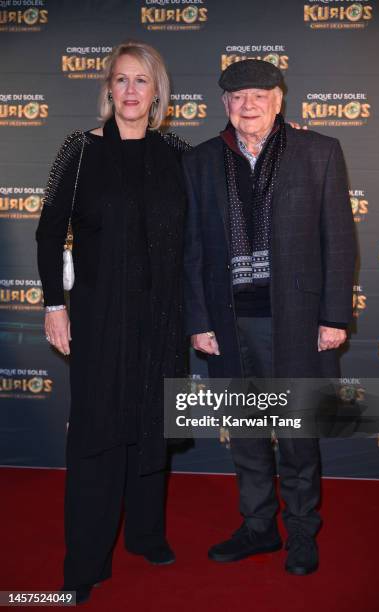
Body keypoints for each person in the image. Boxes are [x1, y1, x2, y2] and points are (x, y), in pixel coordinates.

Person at [183, 59, 356, 575]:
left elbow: (340, 240)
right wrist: (198, 318)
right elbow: (191, 249)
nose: (249, 104)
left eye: (260, 93)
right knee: (248, 431)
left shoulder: (318, 151)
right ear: (225, 105)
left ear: (280, 99)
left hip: (300, 320)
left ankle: (301, 530)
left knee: (299, 433)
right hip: (230, 321)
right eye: (237, 97)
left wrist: (334, 317)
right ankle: (258, 527)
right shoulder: (200, 161)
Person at [36, 40, 189, 604]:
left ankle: (147, 535)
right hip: (100, 317)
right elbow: (49, 232)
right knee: (99, 434)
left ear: (157, 91)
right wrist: (55, 304)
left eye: (141, 81)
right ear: (108, 88)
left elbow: (197, 234)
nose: (130, 91)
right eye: (121, 80)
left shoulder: (175, 152)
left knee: (151, 424)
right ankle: (85, 561)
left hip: (163, 318)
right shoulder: (79, 151)